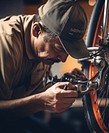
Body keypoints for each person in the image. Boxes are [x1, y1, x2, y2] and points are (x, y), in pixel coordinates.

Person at [0, 0, 89, 132]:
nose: (63, 59)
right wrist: (42, 102)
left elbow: (37, 90)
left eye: (67, 52)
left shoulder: (43, 52)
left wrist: (64, 83)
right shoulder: (6, 43)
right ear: (36, 30)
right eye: (59, 48)